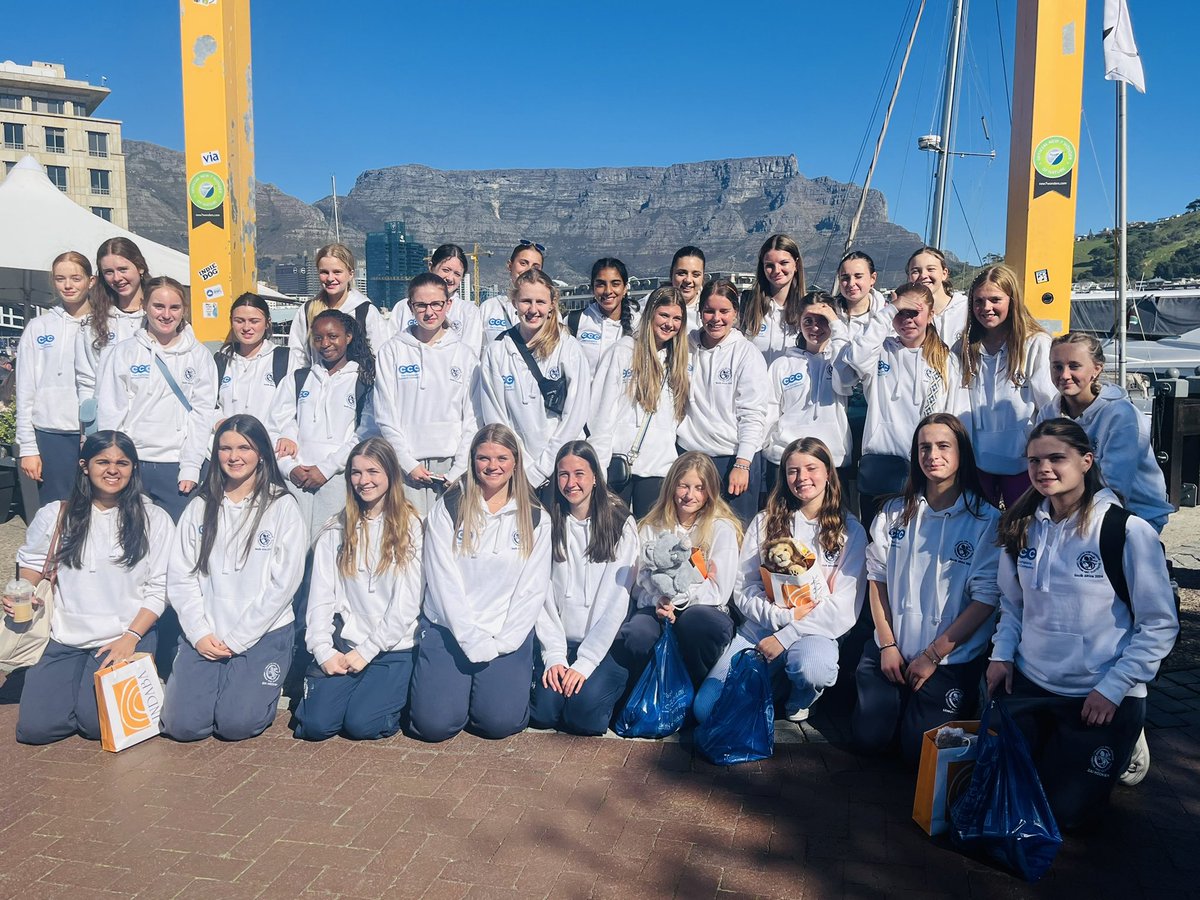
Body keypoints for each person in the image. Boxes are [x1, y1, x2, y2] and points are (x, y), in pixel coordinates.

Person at [987, 418, 1178, 830]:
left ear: (1086, 461)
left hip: (1099, 697)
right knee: (999, 792)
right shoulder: (1020, 529)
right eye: (1035, 460)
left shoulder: (1126, 532)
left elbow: (1159, 624)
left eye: (1057, 458)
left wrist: (1112, 689)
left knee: (1064, 816)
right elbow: (1013, 606)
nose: (1044, 469)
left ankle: (1125, 741)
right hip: (1034, 685)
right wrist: (1002, 655)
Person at [851, 414, 1000, 765]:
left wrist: (932, 656)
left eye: (943, 446)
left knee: (919, 755)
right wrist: (887, 644)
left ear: (962, 452)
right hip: (893, 651)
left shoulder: (987, 519)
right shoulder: (894, 511)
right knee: (868, 741)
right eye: (924, 447)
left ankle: (963, 700)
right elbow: (877, 579)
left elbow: (984, 601)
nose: (933, 454)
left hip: (947, 658)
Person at [11, 431, 170, 745]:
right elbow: (32, 562)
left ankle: (143, 681)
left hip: (123, 638)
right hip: (64, 636)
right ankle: (77, 683)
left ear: (133, 469)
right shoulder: (56, 514)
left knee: (95, 726)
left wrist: (131, 637)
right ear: (85, 466)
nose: (113, 470)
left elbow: (161, 586)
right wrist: (23, 589)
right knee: (35, 729)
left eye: (122, 463)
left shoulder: (154, 519)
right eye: (103, 462)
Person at [695, 438, 866, 724]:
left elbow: (844, 607)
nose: (802, 478)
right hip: (761, 629)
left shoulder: (851, 531)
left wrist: (786, 637)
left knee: (813, 669)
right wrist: (776, 617)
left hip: (814, 633)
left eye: (811, 468)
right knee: (707, 709)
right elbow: (744, 586)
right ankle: (772, 683)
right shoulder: (765, 521)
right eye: (792, 471)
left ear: (828, 473)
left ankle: (799, 696)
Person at [161, 416, 306, 742]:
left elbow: (284, 585)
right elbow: (181, 575)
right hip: (208, 633)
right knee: (183, 726)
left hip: (262, 632)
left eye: (244, 447)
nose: (234, 456)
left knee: (236, 724)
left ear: (262, 454)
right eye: (225, 448)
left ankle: (252, 682)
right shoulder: (199, 505)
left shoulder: (281, 507)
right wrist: (198, 632)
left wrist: (241, 638)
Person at [409, 424, 551, 741]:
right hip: (450, 629)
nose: (492, 466)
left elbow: (532, 590)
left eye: (502, 457)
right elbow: (442, 581)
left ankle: (483, 693)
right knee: (434, 726)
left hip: (504, 635)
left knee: (498, 723)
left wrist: (504, 642)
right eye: (483, 458)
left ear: (516, 461)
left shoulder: (536, 517)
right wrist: (471, 639)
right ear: (472, 461)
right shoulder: (448, 507)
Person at [294, 437, 424, 741]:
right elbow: (321, 598)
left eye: (372, 472)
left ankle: (389, 698)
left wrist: (369, 650)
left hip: (393, 648)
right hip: (346, 645)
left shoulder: (412, 527)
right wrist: (323, 649)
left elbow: (407, 604)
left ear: (391, 474)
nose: (363, 481)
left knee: (361, 724)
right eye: (355, 472)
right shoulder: (336, 529)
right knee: (315, 726)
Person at [530, 441, 638, 736]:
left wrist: (587, 662)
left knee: (585, 719)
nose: (571, 483)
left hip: (602, 645)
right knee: (543, 713)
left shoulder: (620, 524)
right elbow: (541, 595)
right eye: (563, 475)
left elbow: (617, 601)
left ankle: (612, 684)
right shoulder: (547, 523)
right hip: (560, 640)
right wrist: (554, 655)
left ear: (595, 477)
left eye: (579, 473)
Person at [612, 452, 743, 688]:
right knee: (638, 633)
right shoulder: (652, 526)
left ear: (710, 491)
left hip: (702, 608)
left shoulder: (721, 528)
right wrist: (659, 600)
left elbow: (719, 590)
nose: (689, 495)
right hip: (657, 605)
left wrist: (678, 600)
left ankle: (695, 685)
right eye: (683, 486)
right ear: (672, 486)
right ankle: (646, 689)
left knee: (697, 623)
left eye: (699, 488)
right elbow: (639, 582)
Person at [94, 276, 218, 522]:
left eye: (175, 307)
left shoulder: (200, 356)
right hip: (133, 462)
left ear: (184, 310)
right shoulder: (124, 353)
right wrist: (114, 463)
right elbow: (110, 412)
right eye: (158, 306)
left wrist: (191, 467)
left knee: (177, 543)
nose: (166, 314)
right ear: (144, 306)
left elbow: (202, 416)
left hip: (177, 465)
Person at [844, 282, 964, 524]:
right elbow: (854, 358)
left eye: (914, 313)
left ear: (930, 315)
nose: (907, 320)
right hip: (881, 467)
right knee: (875, 547)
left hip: (927, 467)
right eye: (901, 313)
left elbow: (955, 415)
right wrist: (889, 311)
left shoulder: (946, 360)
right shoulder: (879, 351)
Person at [1040, 331, 1172, 532]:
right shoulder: (1048, 413)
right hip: (1069, 510)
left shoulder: (1121, 415)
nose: (1064, 375)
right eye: (1057, 367)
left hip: (1134, 514)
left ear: (1096, 369)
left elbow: (1115, 487)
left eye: (1074, 366)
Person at [375, 273, 481, 517]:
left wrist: (458, 469)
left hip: (452, 466)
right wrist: (407, 463)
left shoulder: (465, 355)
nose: (429, 312)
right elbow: (385, 415)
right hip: (406, 467)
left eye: (436, 304)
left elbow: (473, 419)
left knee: (451, 541)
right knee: (407, 542)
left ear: (448, 305)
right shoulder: (392, 351)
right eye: (421, 305)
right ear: (410, 306)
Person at [270, 309, 379, 542]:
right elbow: (277, 425)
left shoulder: (364, 380)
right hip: (296, 479)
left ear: (348, 337)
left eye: (332, 336)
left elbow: (365, 434)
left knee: (334, 545)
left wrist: (327, 468)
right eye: (318, 338)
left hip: (339, 479)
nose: (325, 344)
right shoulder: (298, 378)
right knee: (293, 545)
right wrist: (288, 467)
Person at [480, 269, 590, 498]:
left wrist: (545, 466)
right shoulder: (497, 351)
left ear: (552, 304)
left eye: (540, 301)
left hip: (562, 469)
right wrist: (522, 465)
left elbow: (576, 414)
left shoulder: (568, 348)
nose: (533, 309)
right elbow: (496, 416)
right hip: (518, 470)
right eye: (526, 301)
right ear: (514, 302)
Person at [589, 286, 690, 517]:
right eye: (664, 315)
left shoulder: (678, 361)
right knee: (613, 541)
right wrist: (599, 468)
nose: (669, 324)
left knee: (650, 546)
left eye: (677, 318)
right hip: (619, 467)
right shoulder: (623, 352)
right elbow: (601, 413)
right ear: (650, 314)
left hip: (659, 470)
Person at [959, 264, 1055, 508]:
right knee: (979, 533)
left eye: (995, 300)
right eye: (979, 301)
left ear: (1012, 301)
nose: (986, 308)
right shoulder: (964, 348)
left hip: (1022, 463)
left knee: (1022, 532)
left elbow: (1050, 406)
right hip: (977, 462)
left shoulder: (1035, 344)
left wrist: (1043, 455)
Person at [676, 279, 768, 526]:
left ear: (735, 313)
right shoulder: (685, 346)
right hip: (693, 457)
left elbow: (753, 413)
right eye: (709, 310)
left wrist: (743, 463)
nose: (716, 318)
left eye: (724, 311)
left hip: (733, 461)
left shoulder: (747, 354)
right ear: (700, 312)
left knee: (735, 538)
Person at [16, 251, 93, 505]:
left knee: (98, 510)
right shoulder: (39, 328)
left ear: (90, 281)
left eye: (75, 278)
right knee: (56, 514)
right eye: (61, 279)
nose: (68, 285)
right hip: (51, 435)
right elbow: (26, 389)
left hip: (95, 432)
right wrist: (28, 448)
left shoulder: (106, 324)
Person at [763, 291, 855, 493]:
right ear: (799, 323)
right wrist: (770, 450)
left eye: (823, 321)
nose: (815, 327)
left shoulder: (841, 361)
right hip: (786, 462)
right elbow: (769, 414)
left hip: (832, 461)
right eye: (808, 320)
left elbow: (847, 379)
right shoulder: (782, 365)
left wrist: (836, 323)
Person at [75, 238, 151, 424]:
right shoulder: (93, 322)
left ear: (140, 267)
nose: (117, 278)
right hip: (110, 430)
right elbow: (86, 380)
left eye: (123, 269)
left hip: (154, 428)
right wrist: (90, 426)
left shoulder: (163, 317)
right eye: (108, 272)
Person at [287, 243, 391, 368]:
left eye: (337, 272)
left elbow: (380, 354)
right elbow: (297, 355)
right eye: (324, 272)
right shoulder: (307, 310)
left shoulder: (365, 311)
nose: (330, 278)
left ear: (351, 274)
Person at [214, 293, 292, 425]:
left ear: (267, 323)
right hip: (229, 442)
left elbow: (292, 409)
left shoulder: (285, 358)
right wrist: (219, 422)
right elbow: (207, 403)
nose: (246, 327)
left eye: (254, 321)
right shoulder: (221, 359)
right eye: (239, 321)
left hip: (268, 443)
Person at [401, 244, 483, 354]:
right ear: (431, 266)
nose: (450, 278)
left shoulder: (469, 312)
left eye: (457, 274)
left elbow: (470, 355)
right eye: (445, 270)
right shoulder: (403, 308)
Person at [739, 234, 806, 365]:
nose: (777, 270)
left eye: (783, 263)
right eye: (769, 265)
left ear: (796, 264)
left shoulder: (808, 310)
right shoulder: (746, 305)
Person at [567, 258, 641, 375]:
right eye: (601, 284)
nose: (608, 291)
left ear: (625, 288)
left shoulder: (639, 323)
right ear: (593, 288)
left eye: (615, 284)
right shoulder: (575, 321)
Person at [479, 241, 546, 348]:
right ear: (510, 265)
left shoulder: (548, 311)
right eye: (523, 263)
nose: (529, 270)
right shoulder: (489, 307)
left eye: (535, 267)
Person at [907, 246, 968, 348]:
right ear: (909, 277)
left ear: (944, 274)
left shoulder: (966, 308)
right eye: (915, 271)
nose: (923, 275)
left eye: (930, 269)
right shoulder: (903, 314)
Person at [836, 251, 887, 340]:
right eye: (845, 278)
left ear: (873, 278)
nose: (851, 283)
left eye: (858, 276)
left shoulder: (887, 316)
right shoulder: (828, 315)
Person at [669, 246, 706, 314]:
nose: (688, 280)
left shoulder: (711, 307)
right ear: (671, 274)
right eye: (682, 273)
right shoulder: (651, 304)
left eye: (696, 275)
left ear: (703, 277)